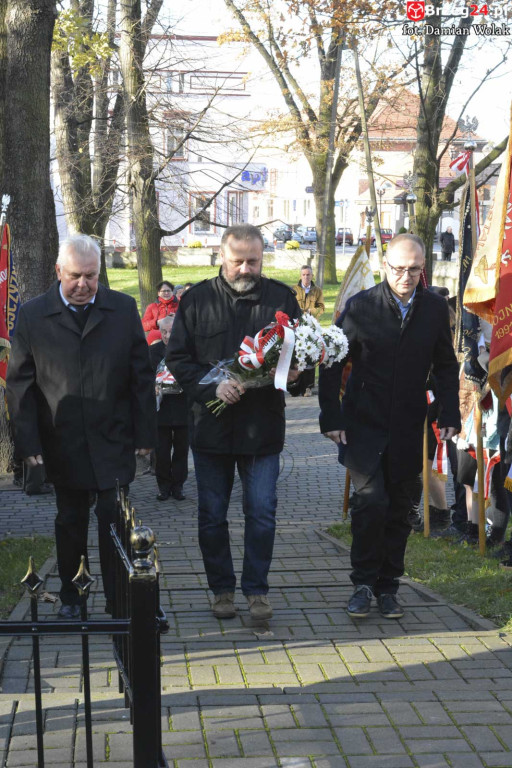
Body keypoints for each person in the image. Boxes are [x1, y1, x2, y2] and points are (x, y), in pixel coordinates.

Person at [6, 234, 156, 619]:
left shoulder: (121, 309)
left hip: (112, 436)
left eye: (91, 276)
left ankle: (118, 597)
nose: (83, 284)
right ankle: (73, 597)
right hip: (62, 439)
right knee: (70, 521)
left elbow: (141, 375)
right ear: (59, 271)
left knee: (113, 520)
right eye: (75, 276)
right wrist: (27, 441)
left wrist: (145, 435)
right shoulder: (34, 314)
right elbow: (20, 384)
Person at [319, 233, 460, 620]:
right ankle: (363, 583)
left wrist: (449, 414)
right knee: (370, 503)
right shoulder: (361, 307)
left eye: (415, 269)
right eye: (399, 268)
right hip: (362, 424)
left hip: (407, 423)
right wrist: (330, 416)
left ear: (422, 269)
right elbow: (331, 362)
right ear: (386, 266)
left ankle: (388, 586)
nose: (406, 276)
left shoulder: (433, 309)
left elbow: (445, 366)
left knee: (400, 507)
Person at [167, 223, 303, 621]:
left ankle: (257, 590)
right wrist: (212, 389)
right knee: (212, 515)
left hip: (262, 429)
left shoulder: (282, 298)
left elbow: (300, 356)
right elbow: (177, 360)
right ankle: (221, 590)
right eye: (237, 261)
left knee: (261, 512)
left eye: (253, 261)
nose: (245, 269)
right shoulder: (195, 300)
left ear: (263, 258)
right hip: (211, 431)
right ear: (221, 258)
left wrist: (297, 376)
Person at [150, 315, 189, 501]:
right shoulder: (152, 352)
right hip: (161, 411)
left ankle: (178, 486)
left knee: (181, 450)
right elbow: (143, 377)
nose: (167, 335)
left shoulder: (187, 351)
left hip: (183, 409)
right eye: (163, 331)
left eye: (171, 331)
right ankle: (163, 486)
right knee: (162, 452)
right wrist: (154, 386)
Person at [295, 265, 325, 396]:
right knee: (297, 356)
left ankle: (308, 386)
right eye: (304, 275)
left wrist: (311, 312)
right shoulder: (294, 290)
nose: (306, 277)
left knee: (311, 356)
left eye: (308, 275)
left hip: (312, 328)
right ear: (300, 276)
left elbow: (321, 308)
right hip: (297, 327)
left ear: (312, 276)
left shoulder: (317, 291)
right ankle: (296, 385)